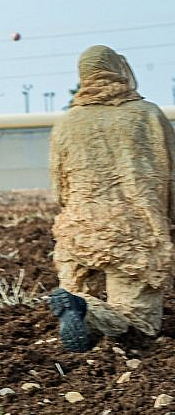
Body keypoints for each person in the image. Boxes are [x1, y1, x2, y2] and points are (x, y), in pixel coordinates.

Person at [48, 44, 175, 351]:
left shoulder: (67, 122)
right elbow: (169, 170)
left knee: (81, 303)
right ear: (120, 70)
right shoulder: (148, 115)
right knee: (139, 328)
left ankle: (80, 307)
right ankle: (87, 311)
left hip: (78, 231)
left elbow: (59, 183)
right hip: (134, 235)